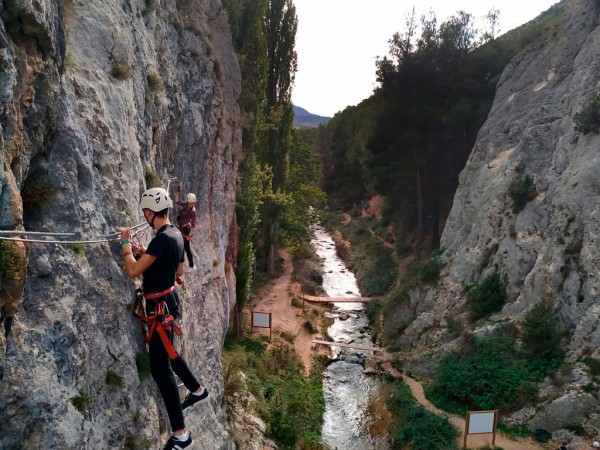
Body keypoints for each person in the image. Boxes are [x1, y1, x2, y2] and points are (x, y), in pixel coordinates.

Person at [120, 187, 209, 450]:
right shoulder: (176, 235)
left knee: (161, 369)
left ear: (149, 212)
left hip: (159, 307)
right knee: (169, 354)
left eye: (145, 213)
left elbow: (133, 271)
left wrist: (126, 244)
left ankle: (181, 435)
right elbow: (177, 268)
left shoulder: (161, 239)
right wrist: (147, 254)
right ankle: (196, 389)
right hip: (168, 303)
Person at [174, 185, 197, 272]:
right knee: (183, 247)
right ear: (187, 202)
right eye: (189, 203)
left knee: (186, 248)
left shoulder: (193, 211)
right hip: (182, 228)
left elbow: (194, 223)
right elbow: (176, 201)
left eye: (192, 203)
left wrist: (190, 235)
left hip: (186, 230)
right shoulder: (185, 205)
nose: (191, 205)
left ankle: (191, 265)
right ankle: (189, 265)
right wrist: (178, 190)